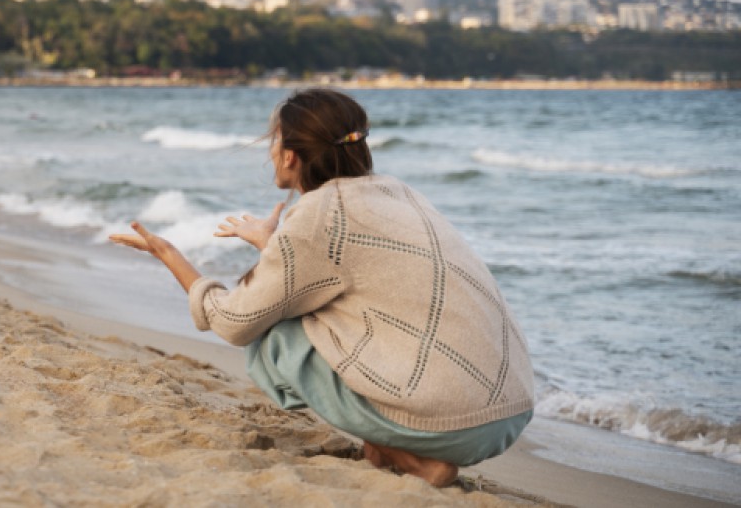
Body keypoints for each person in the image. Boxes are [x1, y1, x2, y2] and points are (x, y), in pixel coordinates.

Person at [110, 88, 533, 487]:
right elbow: (349, 275)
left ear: (291, 156)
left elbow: (235, 321)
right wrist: (273, 245)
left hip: (451, 424)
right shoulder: (398, 192)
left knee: (274, 336)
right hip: (508, 411)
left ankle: (413, 460)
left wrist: (168, 254)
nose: (270, 153)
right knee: (329, 312)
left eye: (272, 143)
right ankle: (383, 446)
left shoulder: (318, 217)